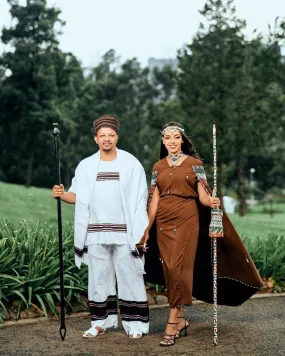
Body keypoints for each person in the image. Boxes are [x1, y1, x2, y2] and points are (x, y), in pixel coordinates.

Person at [141, 122, 263, 347]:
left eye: (176, 137)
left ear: (182, 140)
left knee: (179, 267)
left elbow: (203, 196)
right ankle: (180, 320)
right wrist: (146, 230)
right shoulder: (157, 167)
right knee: (169, 269)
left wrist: (212, 200)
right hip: (164, 222)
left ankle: (171, 322)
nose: (171, 141)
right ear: (163, 141)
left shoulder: (195, 164)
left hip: (187, 218)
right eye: (167, 138)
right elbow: (153, 201)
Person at [52, 115, 149, 339]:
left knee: (129, 275)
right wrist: (61, 194)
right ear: (95, 138)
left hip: (125, 231)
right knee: (98, 276)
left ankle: (135, 324)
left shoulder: (131, 164)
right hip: (95, 231)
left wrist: (141, 230)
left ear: (117, 137)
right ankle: (100, 322)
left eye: (111, 135)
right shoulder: (85, 166)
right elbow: (76, 196)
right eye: (102, 135)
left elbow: (140, 197)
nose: (107, 139)